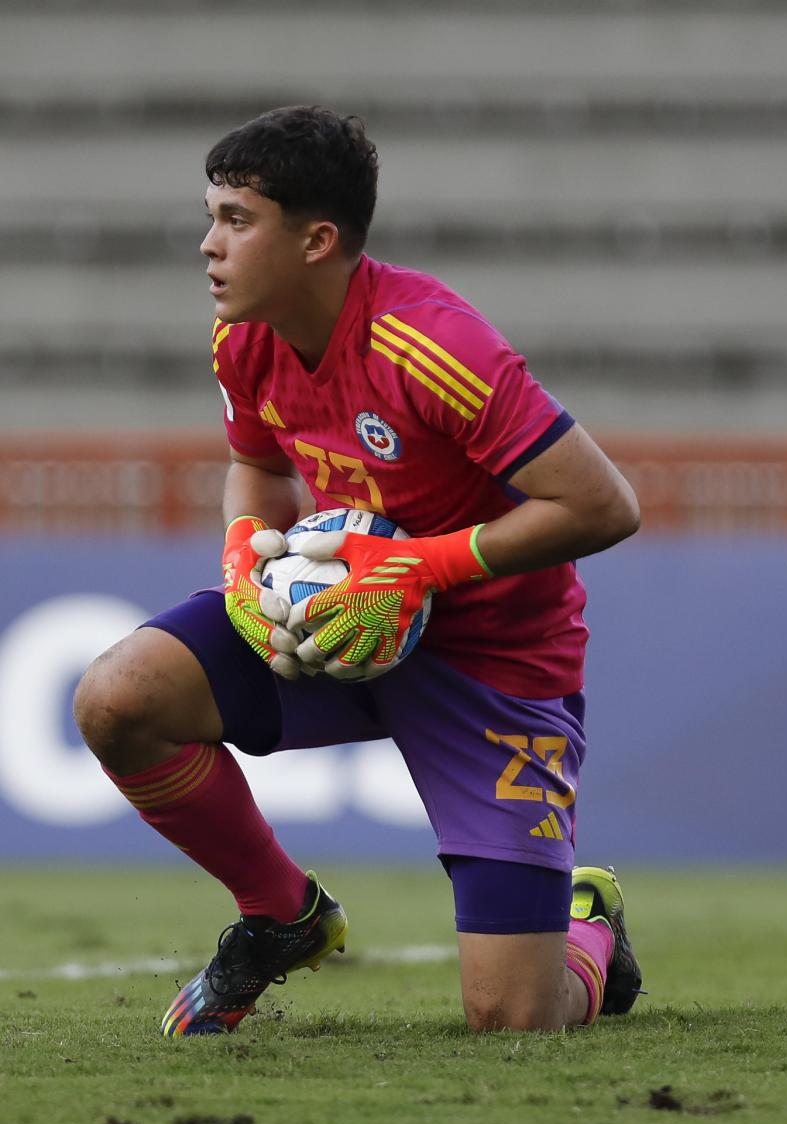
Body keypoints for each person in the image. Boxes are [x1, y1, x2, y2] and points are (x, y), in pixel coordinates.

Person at [74, 105, 643, 1037]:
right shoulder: (244, 336)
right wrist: (242, 556)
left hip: (491, 657)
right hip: (335, 622)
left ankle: (588, 920)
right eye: (210, 215)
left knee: (513, 1019)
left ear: (318, 240)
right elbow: (256, 466)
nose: (208, 244)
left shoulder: (437, 346)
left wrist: (417, 568)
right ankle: (282, 914)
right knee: (116, 698)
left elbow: (602, 505)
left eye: (236, 220)